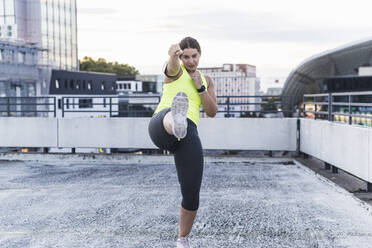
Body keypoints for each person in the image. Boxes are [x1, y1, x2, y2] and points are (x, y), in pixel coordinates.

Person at [148, 37, 218, 247]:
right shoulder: (175, 70)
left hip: (188, 132)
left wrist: (200, 88)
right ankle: (176, 121)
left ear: (200, 55)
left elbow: (212, 111)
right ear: (181, 57)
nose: (190, 61)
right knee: (172, 115)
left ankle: (183, 239)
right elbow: (171, 68)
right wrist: (171, 56)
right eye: (185, 56)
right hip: (161, 124)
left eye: (194, 56)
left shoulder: (207, 80)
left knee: (191, 190)